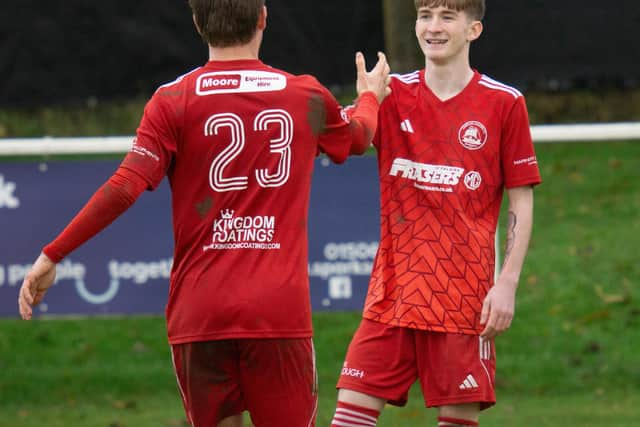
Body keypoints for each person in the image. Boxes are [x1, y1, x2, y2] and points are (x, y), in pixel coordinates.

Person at [18, 1, 390, 426]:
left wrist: (52, 255)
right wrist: (368, 97)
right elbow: (358, 138)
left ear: (197, 23)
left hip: (200, 310)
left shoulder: (172, 100)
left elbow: (123, 187)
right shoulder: (302, 94)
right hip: (276, 312)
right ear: (264, 18)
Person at [330, 1, 542, 426]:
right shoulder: (393, 94)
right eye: (425, 16)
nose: (433, 27)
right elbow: (340, 139)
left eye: (447, 17)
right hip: (392, 297)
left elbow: (521, 197)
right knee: (348, 419)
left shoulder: (504, 103)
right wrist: (368, 97)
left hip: (463, 302)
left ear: (474, 30)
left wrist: (508, 283)